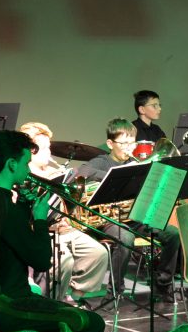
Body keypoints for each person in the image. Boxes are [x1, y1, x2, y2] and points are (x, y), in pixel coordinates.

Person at [0, 130, 105, 332]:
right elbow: (41, 260)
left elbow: (15, 239)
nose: (28, 170)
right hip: (10, 303)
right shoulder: (6, 209)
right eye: (25, 163)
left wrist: (25, 206)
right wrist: (41, 220)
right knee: (91, 324)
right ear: (12, 164)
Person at [73, 118, 182, 299]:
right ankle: (115, 292)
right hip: (109, 221)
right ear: (110, 143)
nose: (129, 148)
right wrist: (119, 175)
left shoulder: (135, 162)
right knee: (125, 237)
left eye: (132, 143)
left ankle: (162, 285)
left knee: (172, 233)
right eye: (123, 143)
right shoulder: (102, 161)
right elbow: (83, 171)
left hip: (135, 218)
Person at [20, 121, 109, 304]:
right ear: (31, 150)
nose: (50, 153)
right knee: (64, 261)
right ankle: (55, 302)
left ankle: (74, 297)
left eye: (49, 148)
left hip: (64, 229)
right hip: (42, 231)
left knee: (98, 253)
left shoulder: (54, 172)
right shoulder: (24, 174)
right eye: (45, 149)